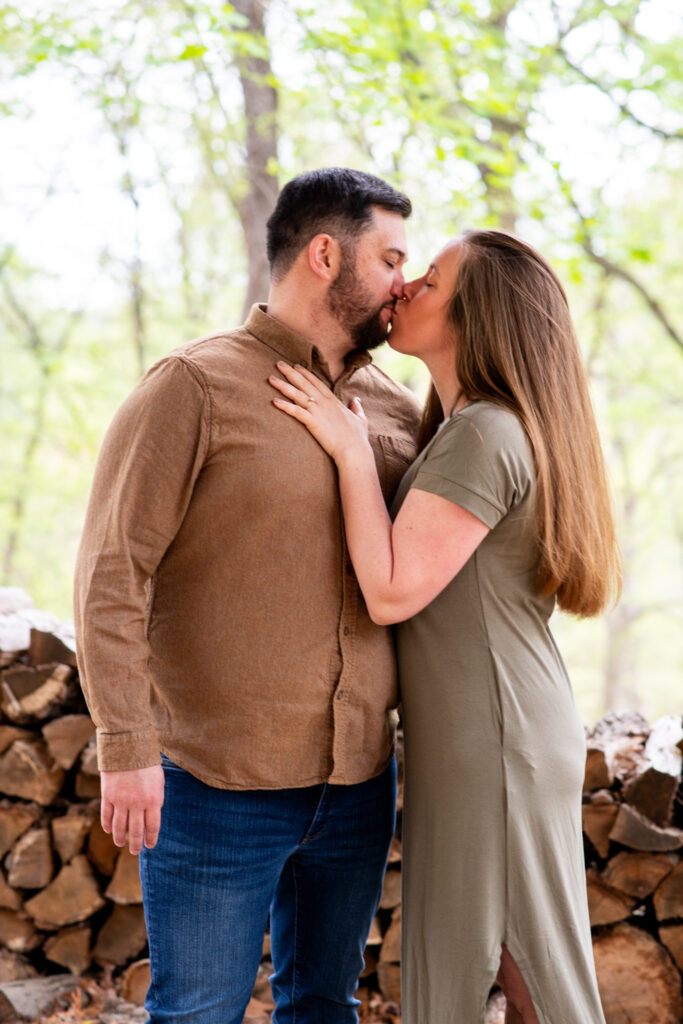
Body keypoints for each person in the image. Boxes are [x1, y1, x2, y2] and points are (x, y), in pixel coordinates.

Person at [73, 167, 423, 1024]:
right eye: (389, 259)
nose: (402, 284)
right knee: (197, 1013)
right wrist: (126, 745)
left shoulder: (394, 408)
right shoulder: (190, 388)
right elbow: (112, 575)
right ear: (324, 254)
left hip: (356, 785)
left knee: (323, 1006)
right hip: (213, 789)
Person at [269, 229, 622, 1024]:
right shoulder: (472, 427)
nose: (401, 289)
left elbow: (390, 592)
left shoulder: (485, 433)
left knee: (517, 964)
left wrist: (349, 450)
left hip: (493, 740)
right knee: (511, 960)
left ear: (478, 317)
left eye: (426, 282)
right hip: (492, 732)